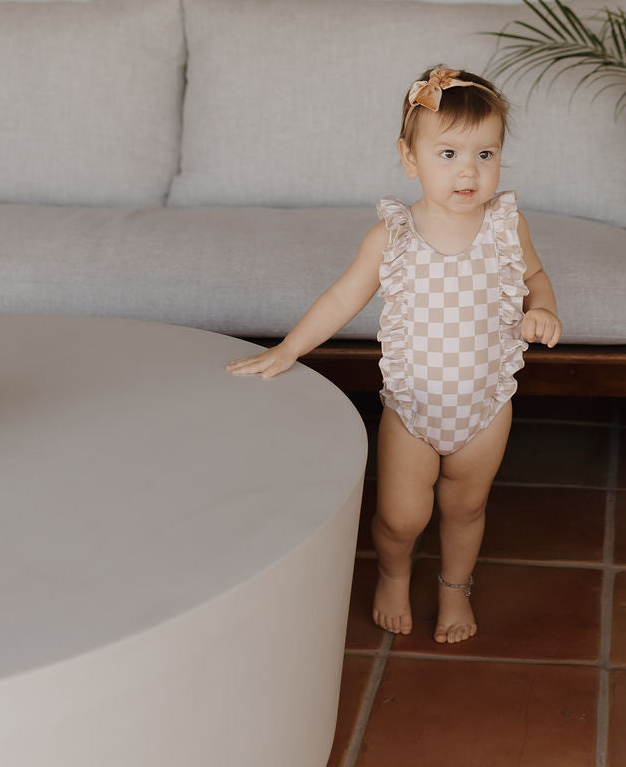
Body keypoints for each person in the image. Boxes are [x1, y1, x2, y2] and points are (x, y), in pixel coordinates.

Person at [226, 64, 562, 644]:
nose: (469, 172)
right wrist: (288, 349)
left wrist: (544, 308)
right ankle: (393, 570)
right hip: (413, 408)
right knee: (403, 516)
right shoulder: (394, 236)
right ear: (410, 158)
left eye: (486, 155)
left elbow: (534, 275)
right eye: (450, 154)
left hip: (485, 405)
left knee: (466, 509)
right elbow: (340, 298)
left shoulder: (508, 226)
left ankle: (456, 587)